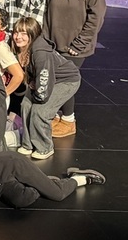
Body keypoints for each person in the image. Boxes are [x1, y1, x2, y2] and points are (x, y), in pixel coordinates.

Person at [44, 0, 106, 138]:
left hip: (75, 47)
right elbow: (46, 11)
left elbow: (97, 17)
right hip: (54, 42)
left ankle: (69, 120)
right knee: (53, 80)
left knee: (65, 81)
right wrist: (46, 39)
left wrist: (79, 44)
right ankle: (54, 115)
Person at [12, 16, 82, 160]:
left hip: (66, 81)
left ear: (32, 34)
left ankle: (44, 147)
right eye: (16, 32)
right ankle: (27, 144)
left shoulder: (40, 52)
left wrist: (39, 96)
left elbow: (45, 77)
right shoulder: (19, 48)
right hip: (47, 79)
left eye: (24, 33)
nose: (18, 37)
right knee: (25, 105)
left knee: (40, 111)